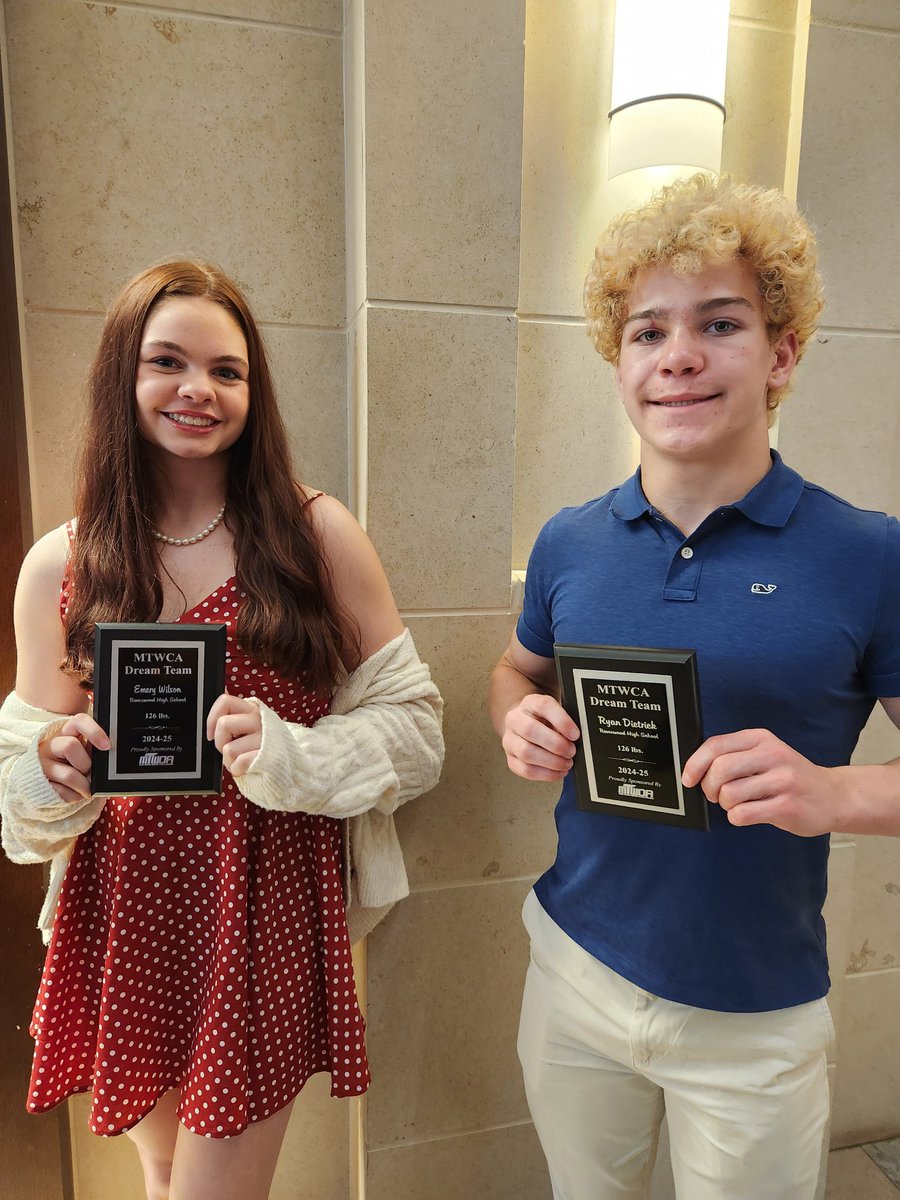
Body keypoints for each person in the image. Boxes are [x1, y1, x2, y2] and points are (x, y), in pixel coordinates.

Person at [488, 174, 900, 1200]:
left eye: (719, 324)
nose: (676, 356)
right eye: (645, 332)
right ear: (620, 363)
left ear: (782, 353)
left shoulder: (869, 554)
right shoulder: (569, 541)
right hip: (574, 969)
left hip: (753, 1015)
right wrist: (519, 719)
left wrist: (836, 792)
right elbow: (516, 666)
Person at [0, 261, 443, 1200]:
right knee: (162, 1176)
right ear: (124, 375)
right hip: (125, 912)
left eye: (227, 370)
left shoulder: (314, 535)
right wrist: (52, 765)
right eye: (168, 361)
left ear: (254, 389)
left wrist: (292, 753)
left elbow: (417, 728)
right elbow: (16, 784)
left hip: (262, 901)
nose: (198, 389)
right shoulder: (64, 563)